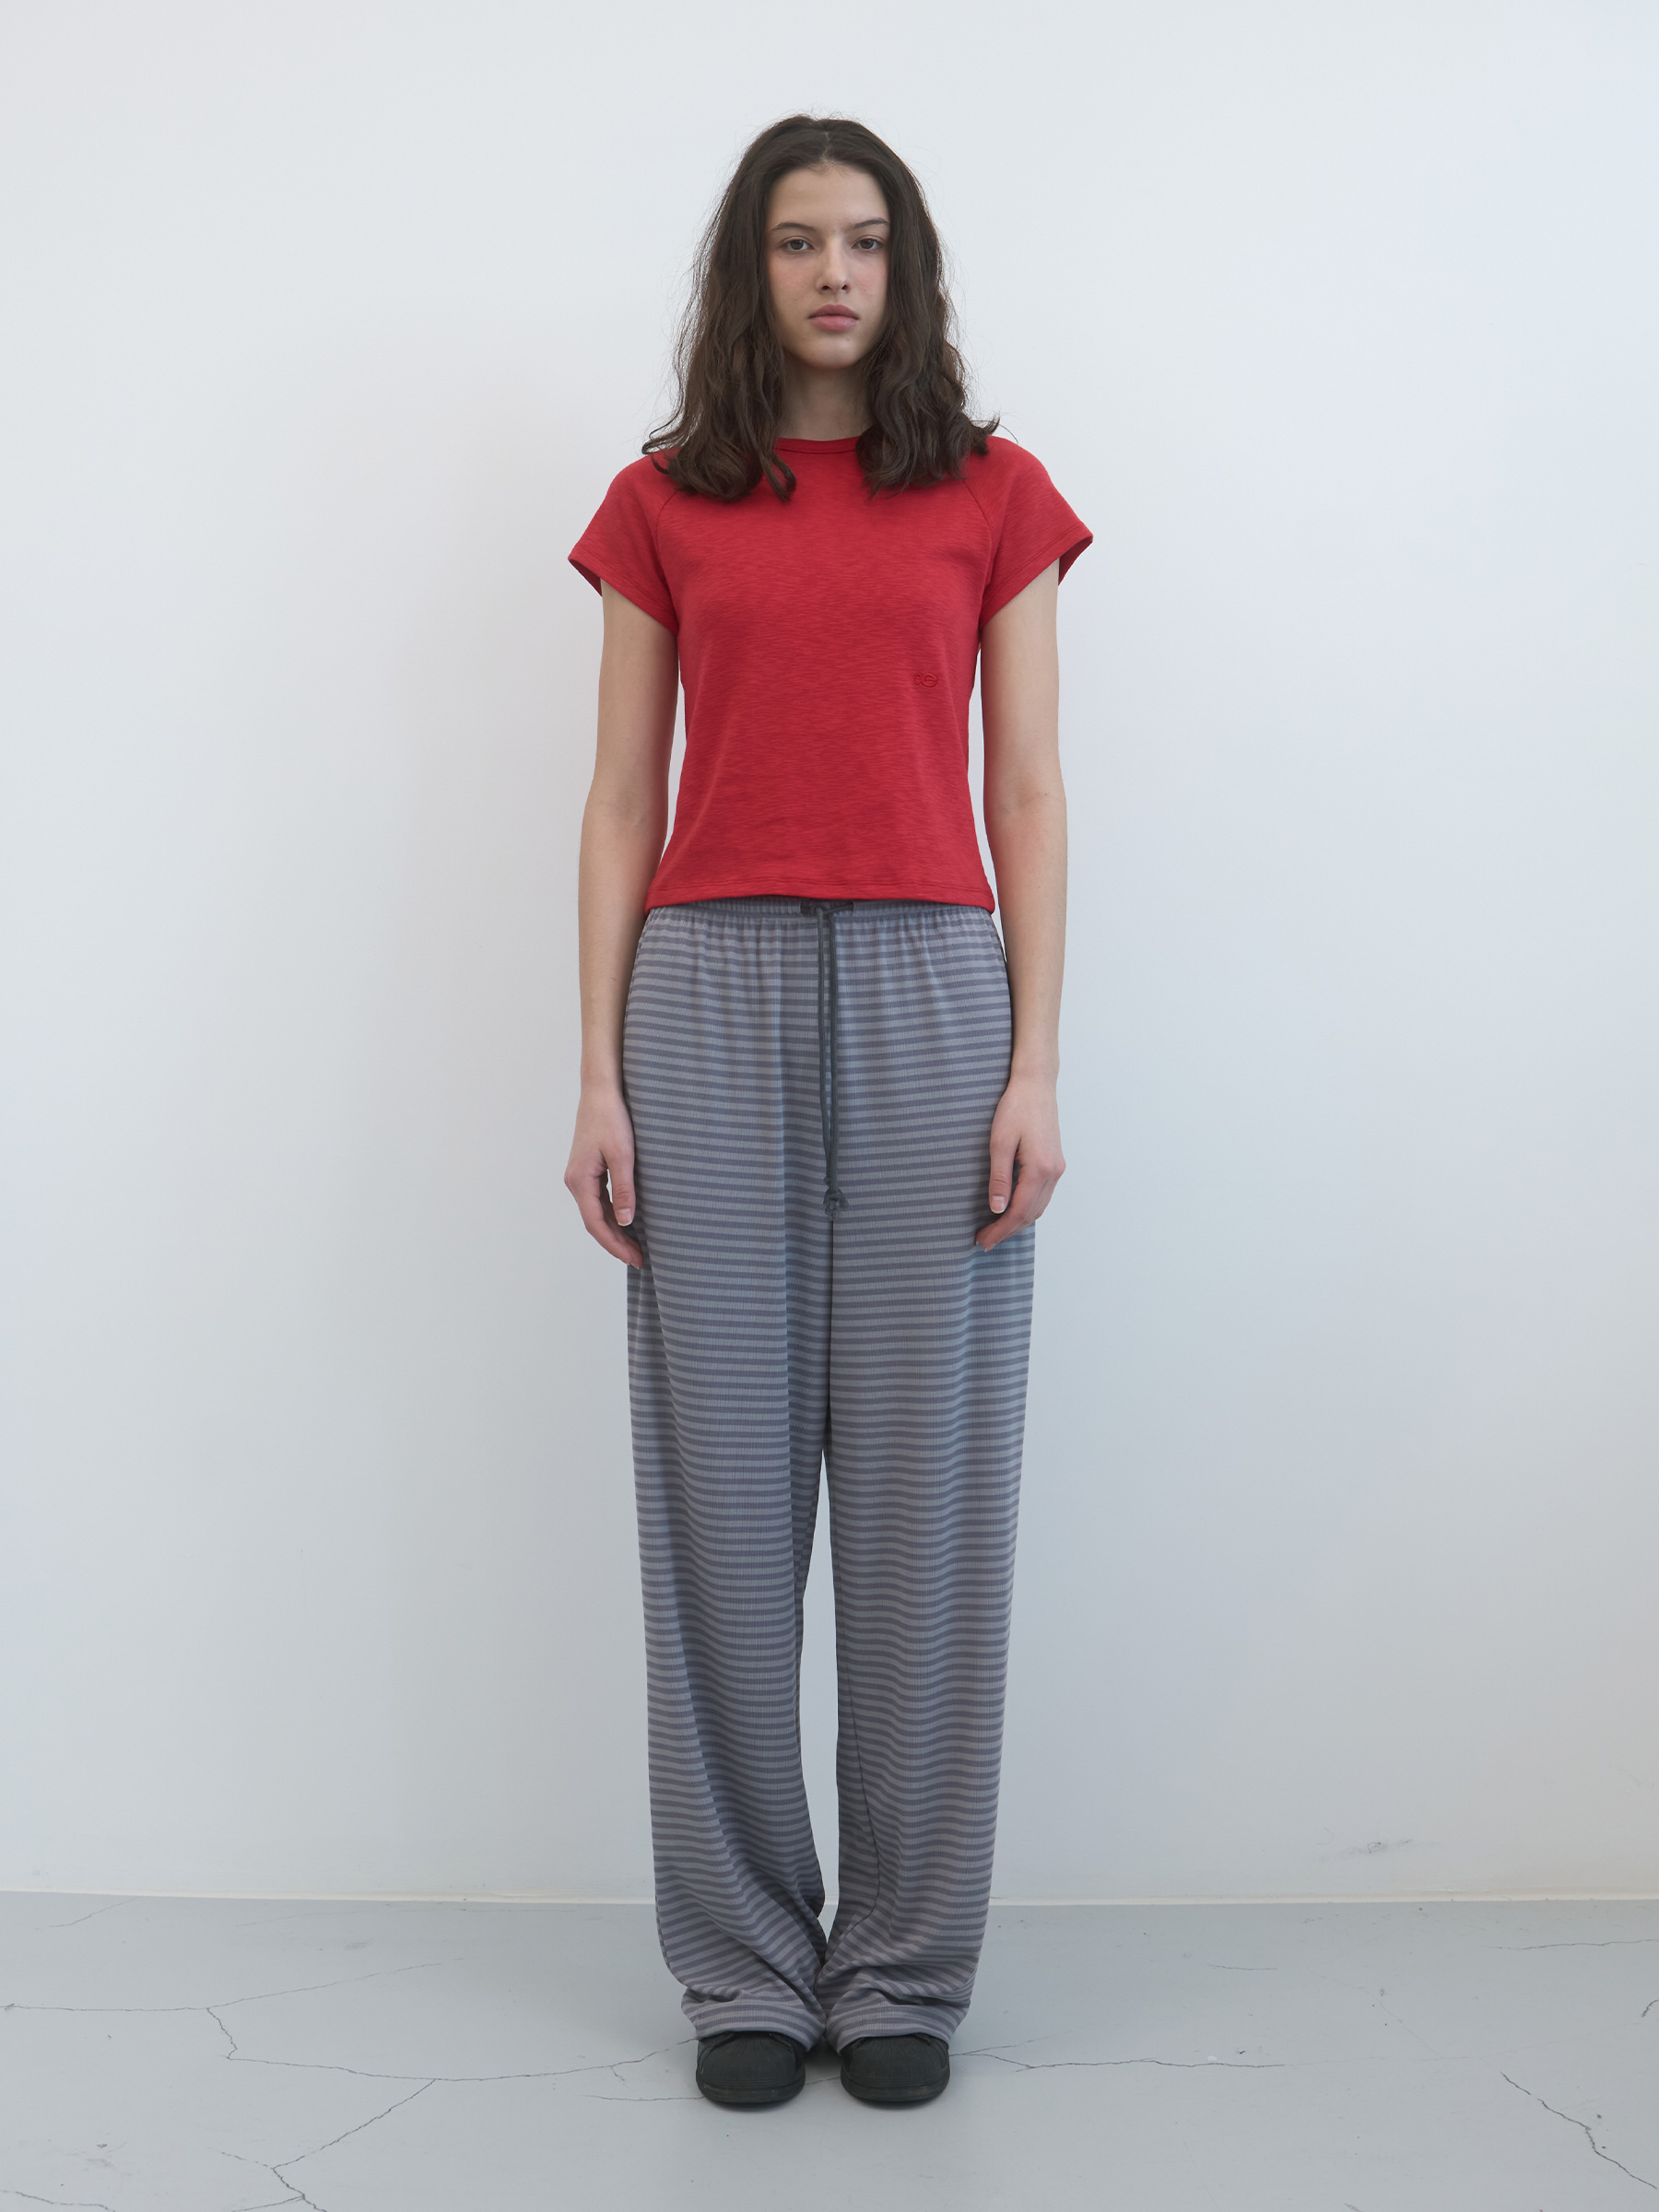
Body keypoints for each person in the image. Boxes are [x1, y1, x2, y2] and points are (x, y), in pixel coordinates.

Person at [565, 114, 1090, 2111]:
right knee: (717, 1500)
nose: (836, 274)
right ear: (749, 271)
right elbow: (621, 797)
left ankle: (902, 1974)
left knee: (925, 1497)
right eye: (797, 242)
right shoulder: (662, 504)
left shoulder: (994, 496)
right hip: (702, 990)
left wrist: (1035, 1062)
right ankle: (745, 1974)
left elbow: (1026, 789)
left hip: (936, 991)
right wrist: (598, 1071)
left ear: (909, 265)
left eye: (866, 239)